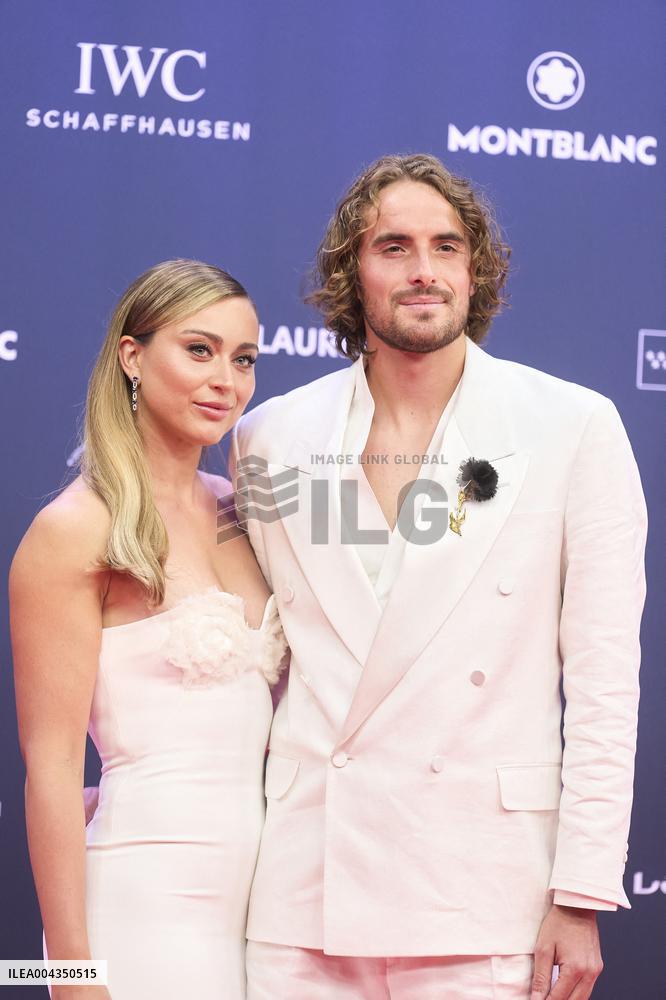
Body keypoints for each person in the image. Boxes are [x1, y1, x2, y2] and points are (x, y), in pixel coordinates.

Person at [232, 155, 647, 999]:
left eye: (446, 246)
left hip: (486, 895)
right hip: (305, 899)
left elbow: (607, 680)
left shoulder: (571, 425)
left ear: (474, 268)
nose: (424, 270)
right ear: (353, 271)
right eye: (394, 246)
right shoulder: (271, 436)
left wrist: (582, 890)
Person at [10, 259, 287, 1000]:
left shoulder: (236, 506)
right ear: (133, 357)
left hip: (259, 917)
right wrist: (69, 977)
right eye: (199, 350)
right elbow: (53, 773)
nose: (225, 379)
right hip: (139, 909)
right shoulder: (73, 529)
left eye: (244, 359)